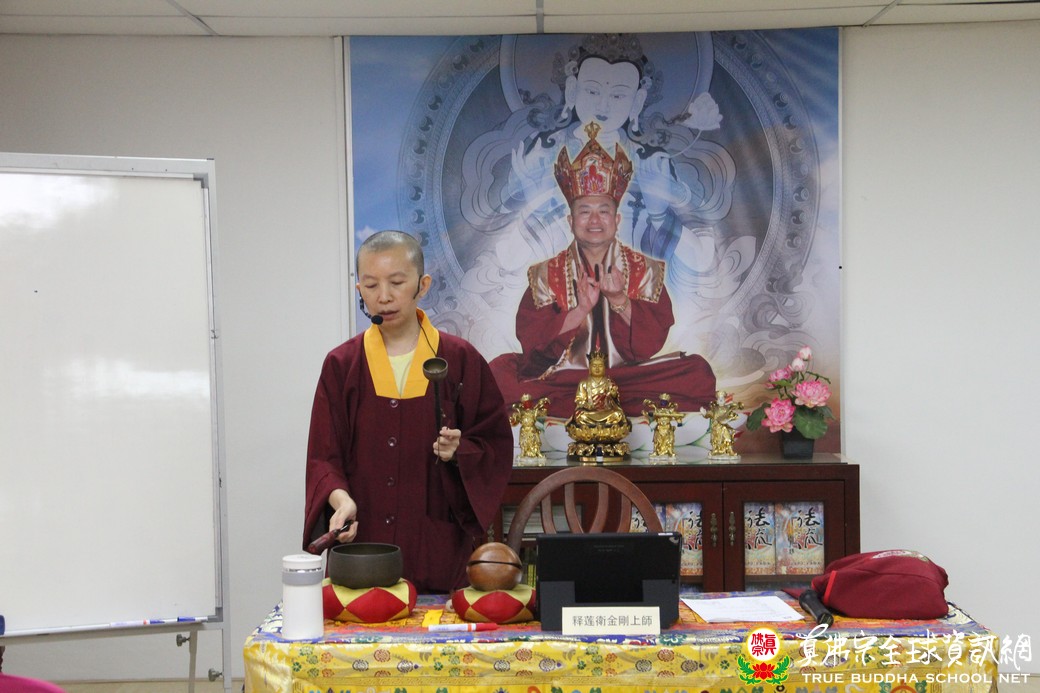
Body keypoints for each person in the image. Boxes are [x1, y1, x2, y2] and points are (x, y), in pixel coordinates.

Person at [303, 231, 514, 593]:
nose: (384, 296)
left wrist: (459, 451)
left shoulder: (460, 359)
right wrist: (341, 501)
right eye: (371, 285)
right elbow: (323, 457)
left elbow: (493, 445)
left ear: (422, 285)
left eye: (397, 282)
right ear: (359, 290)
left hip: (437, 548)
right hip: (362, 551)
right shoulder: (342, 364)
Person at [490, 122, 717, 418]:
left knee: (697, 371)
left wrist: (620, 300)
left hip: (626, 377)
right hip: (566, 378)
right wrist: (579, 311)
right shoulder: (546, 274)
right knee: (499, 374)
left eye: (604, 211)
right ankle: (615, 408)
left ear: (617, 220)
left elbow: (649, 345)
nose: (594, 220)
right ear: (571, 221)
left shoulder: (645, 270)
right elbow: (534, 349)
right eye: (585, 211)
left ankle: (580, 408)